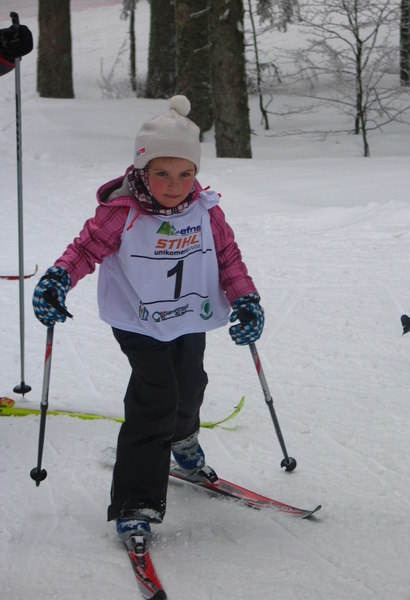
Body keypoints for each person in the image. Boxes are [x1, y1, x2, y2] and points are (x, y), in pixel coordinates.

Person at [32, 96, 264, 542]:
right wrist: (58, 279)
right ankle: (135, 500)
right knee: (155, 398)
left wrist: (246, 299)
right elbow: (85, 250)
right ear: (142, 169)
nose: (174, 186)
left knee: (190, 384)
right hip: (138, 318)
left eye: (185, 174)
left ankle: (183, 440)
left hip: (188, 315)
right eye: (162, 173)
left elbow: (227, 258)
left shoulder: (205, 209)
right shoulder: (122, 211)